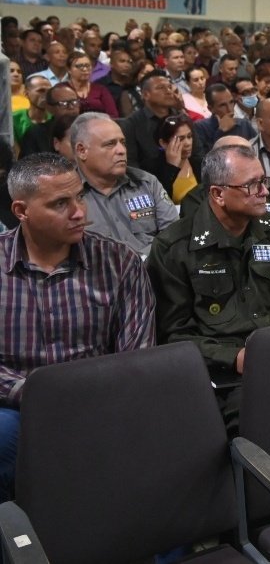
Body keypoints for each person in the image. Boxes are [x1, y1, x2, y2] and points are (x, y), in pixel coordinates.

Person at [0, 152, 155, 502]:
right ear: (21, 212)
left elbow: (137, 356)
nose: (79, 212)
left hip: (101, 397)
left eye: (80, 196)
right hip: (15, 404)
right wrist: (34, 394)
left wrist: (87, 396)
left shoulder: (119, 262)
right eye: (60, 204)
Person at [147, 145, 270, 430]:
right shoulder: (174, 248)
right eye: (252, 185)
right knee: (260, 422)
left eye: (264, 182)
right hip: (225, 375)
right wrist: (234, 358)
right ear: (218, 193)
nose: (265, 192)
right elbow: (173, 335)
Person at [69, 113, 178, 258]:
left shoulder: (146, 183)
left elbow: (174, 235)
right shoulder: (67, 196)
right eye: (110, 144)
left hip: (153, 270)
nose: (121, 150)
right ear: (82, 151)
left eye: (123, 143)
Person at [194, 84, 257, 153]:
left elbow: (257, 151)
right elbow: (204, 160)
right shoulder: (201, 127)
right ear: (210, 108)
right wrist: (220, 132)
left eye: (231, 102)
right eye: (222, 105)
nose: (229, 109)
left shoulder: (244, 124)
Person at [156, 114, 200, 203]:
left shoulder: (199, 163)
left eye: (189, 136)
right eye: (181, 138)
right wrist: (171, 168)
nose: (188, 143)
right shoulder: (154, 170)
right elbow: (161, 202)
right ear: (163, 143)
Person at [63, 51, 118, 118]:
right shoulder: (62, 89)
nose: (85, 69)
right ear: (69, 69)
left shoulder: (101, 89)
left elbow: (113, 115)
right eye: (79, 66)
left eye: (88, 65)